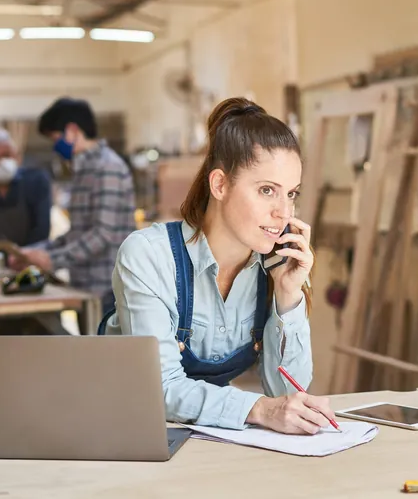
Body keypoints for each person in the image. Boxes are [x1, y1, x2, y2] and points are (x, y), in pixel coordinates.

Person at [100, 97, 334, 435]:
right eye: (267, 190)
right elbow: (159, 388)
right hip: (124, 435)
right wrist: (255, 408)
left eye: (292, 194)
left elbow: (287, 395)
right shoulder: (149, 256)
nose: (284, 212)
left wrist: (288, 294)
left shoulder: (275, 265)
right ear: (220, 185)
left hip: (203, 437)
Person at [12, 98, 136, 312]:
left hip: (108, 291)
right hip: (85, 287)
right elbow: (76, 234)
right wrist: (33, 253)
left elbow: (102, 235)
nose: (55, 145)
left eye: (55, 138)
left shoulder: (107, 168)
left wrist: (52, 259)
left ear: (72, 130)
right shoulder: (83, 170)